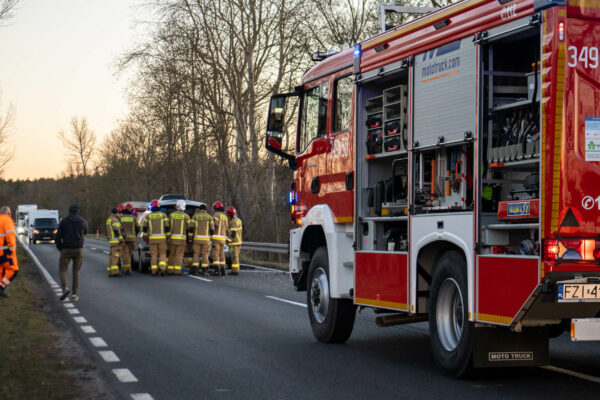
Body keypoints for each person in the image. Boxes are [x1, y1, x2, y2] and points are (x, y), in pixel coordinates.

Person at [55, 204, 88, 301]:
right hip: (79, 249)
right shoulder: (82, 221)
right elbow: (86, 232)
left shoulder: (64, 221)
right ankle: (75, 294)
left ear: (69, 211)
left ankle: (65, 288)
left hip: (66, 248)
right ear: (78, 211)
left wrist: (61, 248)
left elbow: (58, 237)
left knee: (63, 270)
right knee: (76, 271)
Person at [142, 200, 169, 276]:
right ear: (158, 206)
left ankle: (154, 271)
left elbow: (144, 228)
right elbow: (167, 227)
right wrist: (168, 236)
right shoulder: (163, 215)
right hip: (162, 239)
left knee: (153, 255)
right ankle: (162, 269)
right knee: (162, 254)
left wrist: (145, 236)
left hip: (152, 239)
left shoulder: (148, 216)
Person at [190, 204, 214, 276]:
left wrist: (190, 238)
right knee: (205, 254)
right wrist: (210, 237)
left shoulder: (195, 217)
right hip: (206, 240)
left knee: (196, 254)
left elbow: (191, 229)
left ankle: (195, 269)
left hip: (197, 239)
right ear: (206, 210)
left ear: (199, 209)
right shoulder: (209, 217)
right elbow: (212, 230)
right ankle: (205, 269)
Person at [167, 200, 190, 275]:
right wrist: (190, 238)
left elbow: (168, 227)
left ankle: (170, 270)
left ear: (177, 206)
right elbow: (189, 228)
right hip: (181, 240)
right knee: (179, 255)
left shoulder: (171, 215)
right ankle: (177, 271)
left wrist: (167, 237)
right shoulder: (186, 216)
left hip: (172, 239)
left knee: (172, 254)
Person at [0, 206, 18, 298]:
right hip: (4, 252)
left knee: (2, 271)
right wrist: (12, 250)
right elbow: (10, 236)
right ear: (8, 213)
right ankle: (1, 287)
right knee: (13, 270)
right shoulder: (7, 220)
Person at [119, 203, 140, 275]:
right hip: (132, 239)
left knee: (125, 254)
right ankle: (128, 268)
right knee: (129, 254)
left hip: (123, 239)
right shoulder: (134, 218)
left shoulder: (120, 218)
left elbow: (118, 228)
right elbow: (138, 228)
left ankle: (127, 269)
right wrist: (135, 235)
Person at [211, 201, 228, 277]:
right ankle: (222, 269)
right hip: (223, 238)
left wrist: (211, 233)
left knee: (215, 254)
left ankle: (217, 270)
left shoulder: (216, 215)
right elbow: (227, 228)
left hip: (216, 238)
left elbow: (215, 226)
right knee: (222, 254)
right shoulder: (225, 216)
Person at [106, 208, 123, 277]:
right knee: (115, 256)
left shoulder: (109, 219)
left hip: (111, 240)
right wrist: (121, 239)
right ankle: (114, 272)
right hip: (116, 241)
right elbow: (116, 230)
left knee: (111, 256)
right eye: (118, 213)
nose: (118, 214)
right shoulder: (115, 220)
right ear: (116, 213)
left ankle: (110, 270)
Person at [225, 206, 243, 276]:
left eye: (227, 214)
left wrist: (227, 241)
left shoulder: (233, 222)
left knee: (234, 257)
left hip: (234, 243)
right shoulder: (238, 220)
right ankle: (234, 270)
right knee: (234, 256)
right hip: (237, 241)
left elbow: (233, 234)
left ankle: (235, 271)